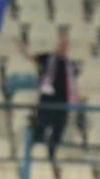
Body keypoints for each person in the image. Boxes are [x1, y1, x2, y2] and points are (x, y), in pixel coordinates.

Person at [30, 32, 77, 163]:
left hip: (62, 104)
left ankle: (51, 154)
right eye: (61, 44)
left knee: (58, 131)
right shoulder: (49, 58)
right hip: (47, 100)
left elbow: (72, 84)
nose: (63, 47)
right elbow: (32, 57)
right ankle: (35, 152)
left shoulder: (69, 64)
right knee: (41, 126)